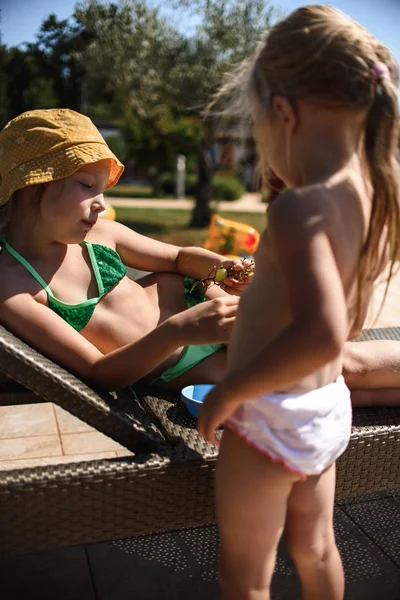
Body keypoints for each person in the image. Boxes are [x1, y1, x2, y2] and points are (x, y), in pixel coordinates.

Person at [197, 5, 400, 600]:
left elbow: (322, 332)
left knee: (245, 575)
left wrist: (230, 392)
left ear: (283, 111)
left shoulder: (301, 208)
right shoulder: (370, 195)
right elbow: (347, 316)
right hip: (324, 407)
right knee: (316, 548)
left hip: (266, 415)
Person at [0, 108, 254, 392]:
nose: (101, 204)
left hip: (200, 299)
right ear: (30, 185)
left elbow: (178, 258)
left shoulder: (98, 235)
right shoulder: (14, 287)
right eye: (87, 185)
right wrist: (180, 331)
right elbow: (97, 372)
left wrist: (221, 267)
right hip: (176, 359)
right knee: (265, 384)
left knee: (290, 342)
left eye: (103, 190)